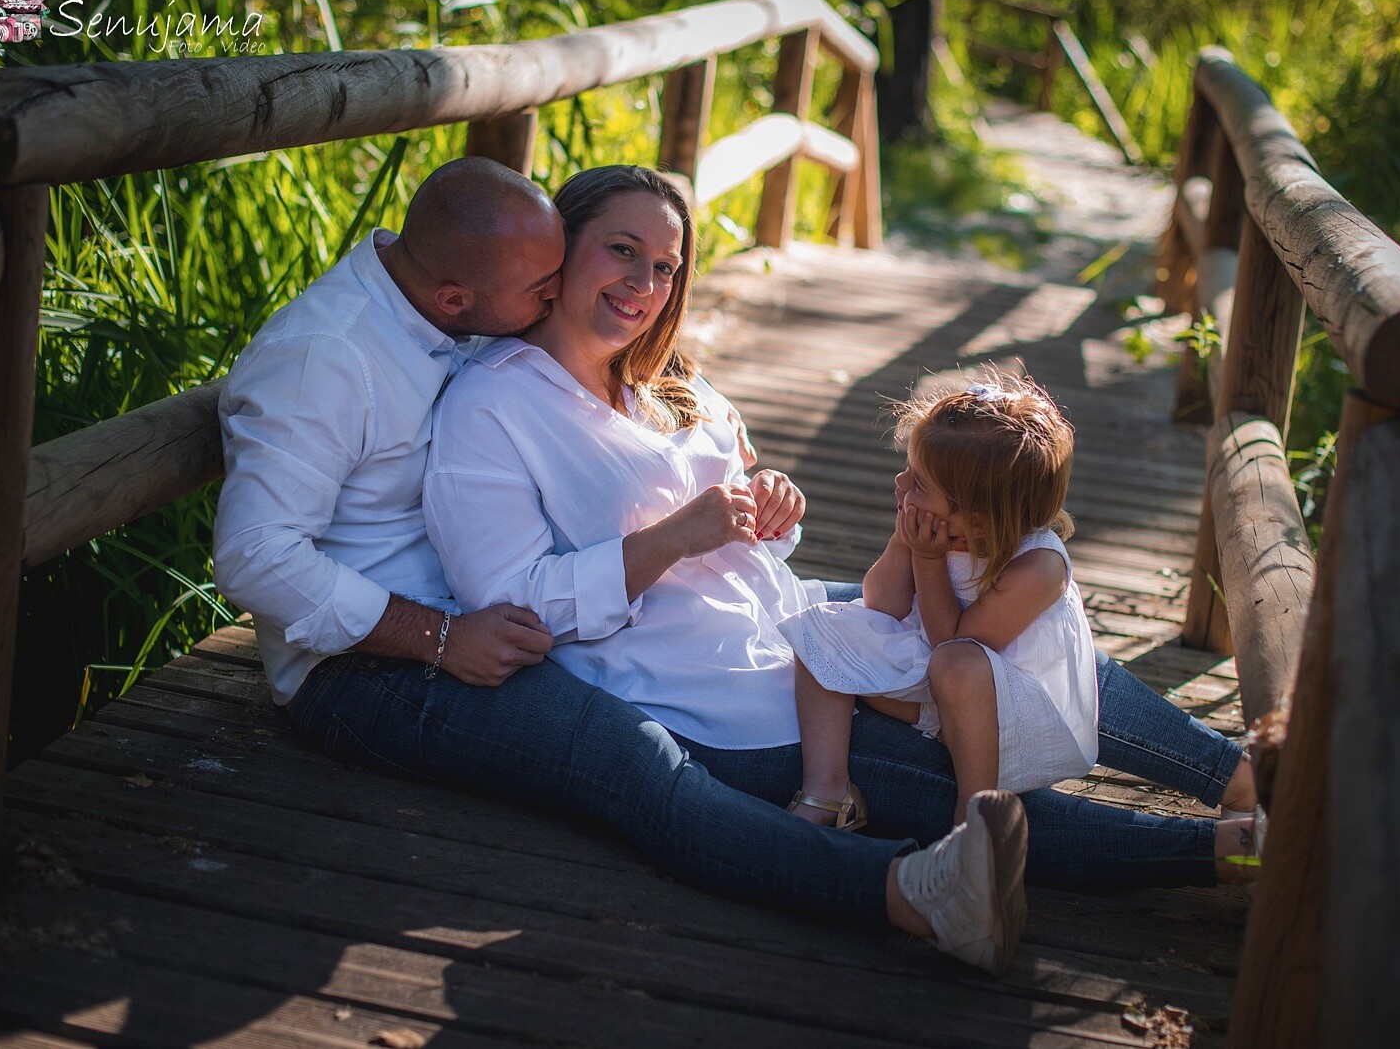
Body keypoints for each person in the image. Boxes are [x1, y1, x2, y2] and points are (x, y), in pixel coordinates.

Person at [213, 156, 1029, 980]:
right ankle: (910, 895)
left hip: (482, 618)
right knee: (627, 755)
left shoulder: (449, 305)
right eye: (544, 283)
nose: (559, 288)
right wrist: (438, 635)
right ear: (460, 302)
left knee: (898, 613)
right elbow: (254, 559)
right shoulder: (327, 356)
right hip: (366, 663)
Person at [423, 164, 1259, 920]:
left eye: (667, 265)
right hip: (703, 689)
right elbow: (510, 605)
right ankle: (1230, 850)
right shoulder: (491, 406)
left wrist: (769, 505)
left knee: (1036, 643)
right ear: (561, 246)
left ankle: (1242, 778)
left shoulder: (670, 380)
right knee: (954, 785)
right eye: (622, 249)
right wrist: (673, 538)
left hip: (786, 624)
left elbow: (743, 525)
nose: (645, 282)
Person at [783, 370, 1099, 829]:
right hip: (938, 687)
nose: (900, 483)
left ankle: (974, 819)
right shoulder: (939, 529)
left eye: (919, 483)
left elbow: (953, 644)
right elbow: (881, 606)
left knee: (958, 664)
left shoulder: (1039, 566)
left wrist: (928, 559)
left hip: (1006, 711)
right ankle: (828, 793)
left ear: (979, 513)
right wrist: (904, 542)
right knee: (819, 632)